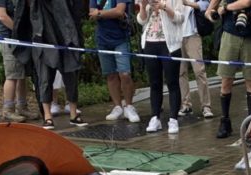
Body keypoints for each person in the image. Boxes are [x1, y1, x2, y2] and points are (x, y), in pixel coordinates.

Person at [13, 0, 87, 129]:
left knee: (71, 76)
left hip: (66, 34)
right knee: (44, 78)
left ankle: (74, 115)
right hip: (43, 35)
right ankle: (47, 117)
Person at [206, 0, 251, 138]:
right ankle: (224, 121)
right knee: (226, 80)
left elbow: (247, 2)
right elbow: (213, 6)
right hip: (229, 33)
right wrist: (210, 10)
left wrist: (225, 7)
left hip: (250, 35)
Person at [138, 0, 186, 134]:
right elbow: (141, 21)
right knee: (154, 83)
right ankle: (155, 117)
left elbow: (180, 18)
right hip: (149, 43)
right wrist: (142, 5)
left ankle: (173, 119)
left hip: (170, 45)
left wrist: (164, 7)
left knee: (172, 82)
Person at [90, 0, 141, 123]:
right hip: (102, 39)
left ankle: (129, 106)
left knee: (125, 74)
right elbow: (91, 14)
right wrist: (106, 13)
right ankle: (117, 106)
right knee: (110, 74)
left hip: (121, 38)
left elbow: (119, 11)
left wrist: (100, 13)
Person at [0, 0, 35, 122]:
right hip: (9, 40)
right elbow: (2, 16)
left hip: (21, 40)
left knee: (21, 75)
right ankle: (8, 110)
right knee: (12, 75)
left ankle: (22, 107)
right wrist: (19, 32)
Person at [178, 0, 214, 118]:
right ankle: (186, 104)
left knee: (199, 71)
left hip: (193, 34)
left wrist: (187, 3)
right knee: (181, 72)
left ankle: (206, 106)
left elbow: (205, 5)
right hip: (177, 36)